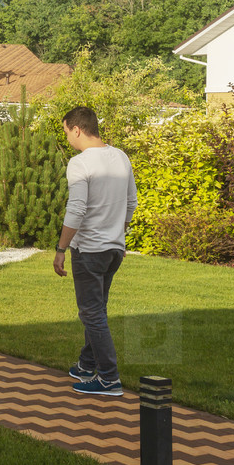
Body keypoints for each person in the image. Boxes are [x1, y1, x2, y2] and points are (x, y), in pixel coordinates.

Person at [53, 106, 137, 396]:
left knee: (92, 314)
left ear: (77, 129)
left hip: (89, 251)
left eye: (66, 132)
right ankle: (86, 365)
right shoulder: (121, 157)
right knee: (97, 311)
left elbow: (76, 209)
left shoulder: (80, 163)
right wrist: (119, 234)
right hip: (114, 250)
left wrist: (61, 248)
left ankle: (109, 378)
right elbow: (131, 203)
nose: (67, 139)